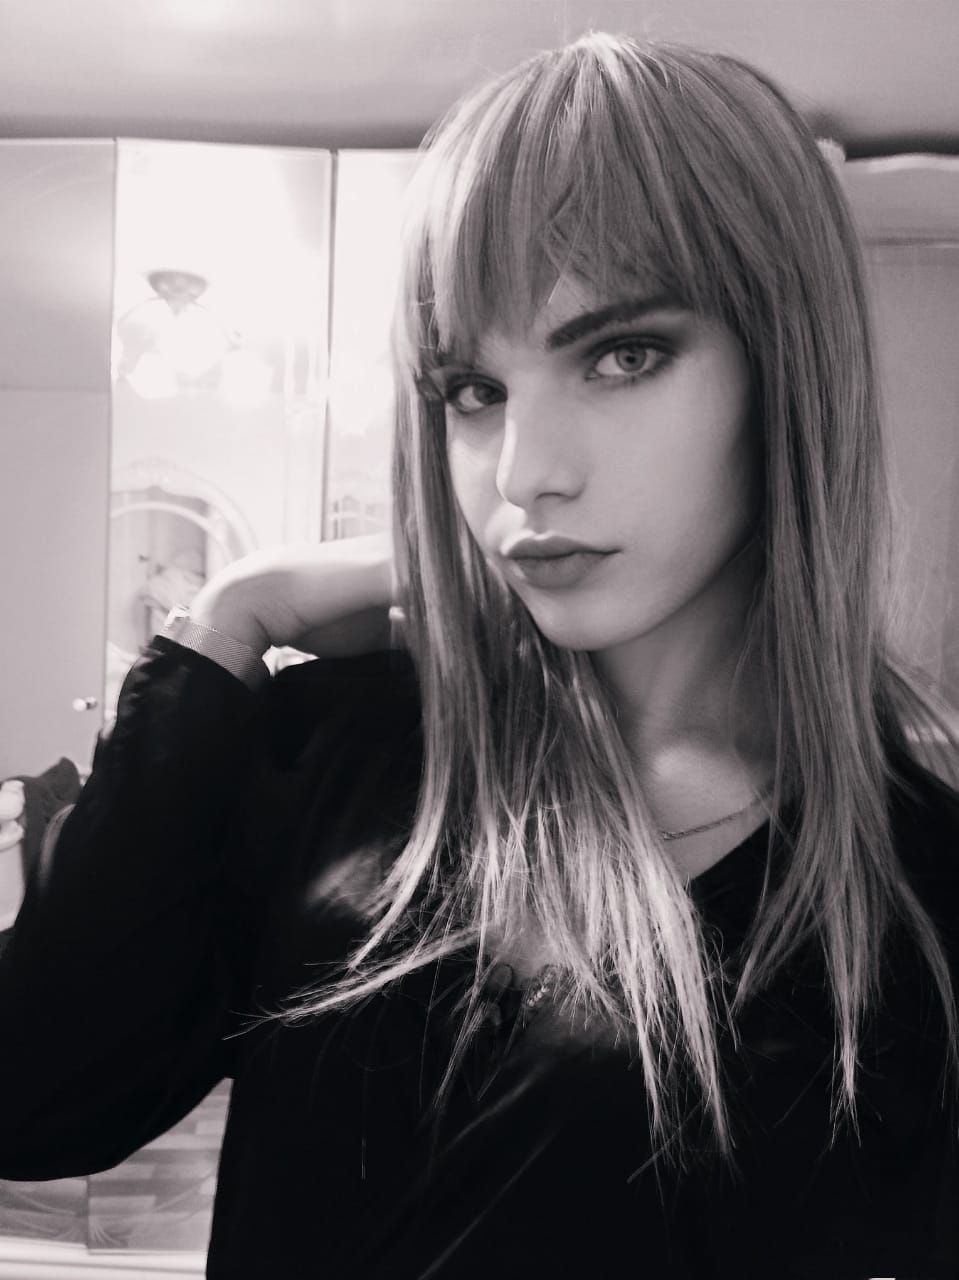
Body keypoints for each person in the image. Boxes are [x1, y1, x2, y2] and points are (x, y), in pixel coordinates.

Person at [2, 29, 959, 1279]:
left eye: (622, 355)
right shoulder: (338, 748)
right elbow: (36, 1100)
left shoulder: (914, 887)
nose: (522, 474)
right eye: (472, 388)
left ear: (786, 368)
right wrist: (226, 623)